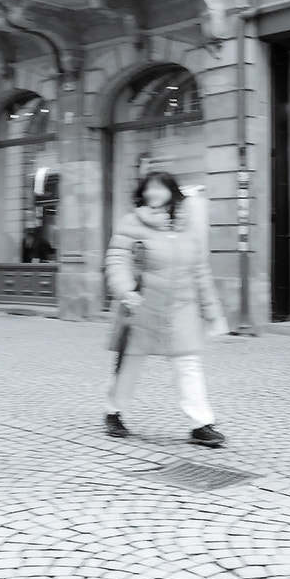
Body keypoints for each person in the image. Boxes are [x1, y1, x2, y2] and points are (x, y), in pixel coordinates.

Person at [103, 171, 229, 447]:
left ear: (172, 191)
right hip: (142, 307)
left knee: (188, 364)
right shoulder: (133, 221)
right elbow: (117, 259)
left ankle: (202, 424)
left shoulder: (187, 227)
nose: (154, 193)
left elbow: (200, 271)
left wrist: (212, 311)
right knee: (130, 365)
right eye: (149, 189)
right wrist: (126, 291)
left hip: (181, 308)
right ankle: (114, 412)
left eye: (160, 188)